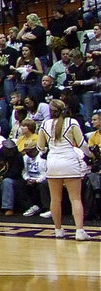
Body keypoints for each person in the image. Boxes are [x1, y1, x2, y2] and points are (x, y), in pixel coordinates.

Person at [38, 98, 90, 239]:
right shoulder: (72, 122)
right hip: (69, 162)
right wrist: (91, 154)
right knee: (75, 199)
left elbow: (40, 147)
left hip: (53, 163)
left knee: (55, 199)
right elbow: (81, 144)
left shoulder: (45, 124)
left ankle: (58, 230)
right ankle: (79, 231)